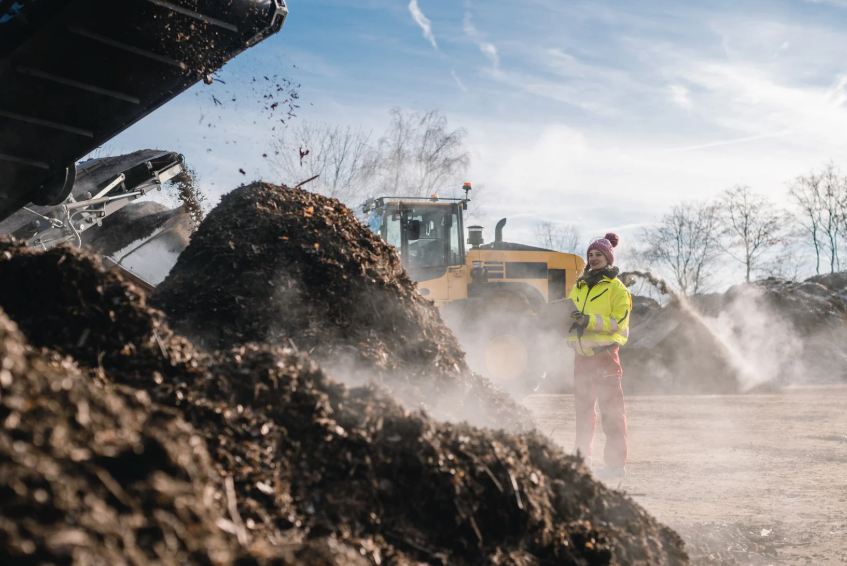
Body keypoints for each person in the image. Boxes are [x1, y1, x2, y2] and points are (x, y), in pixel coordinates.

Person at [567, 233, 632, 479]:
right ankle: (581, 463)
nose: (593, 258)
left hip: (605, 356)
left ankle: (615, 467)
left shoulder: (618, 289)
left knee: (612, 412)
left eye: (598, 255)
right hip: (581, 358)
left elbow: (620, 324)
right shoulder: (579, 286)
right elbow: (571, 316)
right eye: (590, 255)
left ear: (608, 258)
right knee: (582, 414)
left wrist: (587, 321)